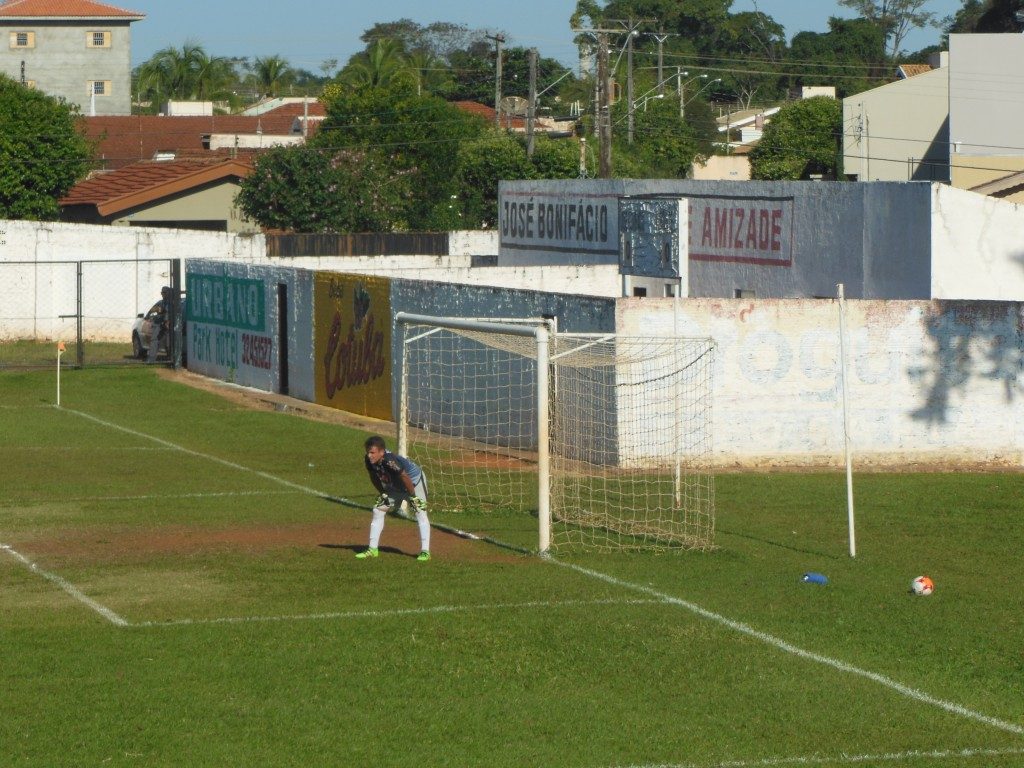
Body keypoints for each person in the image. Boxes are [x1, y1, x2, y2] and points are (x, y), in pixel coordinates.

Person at [357, 435, 431, 562]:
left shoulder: (389, 461)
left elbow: (404, 476)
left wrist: (413, 497)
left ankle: (425, 552)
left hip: (414, 483)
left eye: (372, 452)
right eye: (368, 452)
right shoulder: (369, 460)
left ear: (382, 452)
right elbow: (373, 476)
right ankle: (372, 549)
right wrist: (383, 493)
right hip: (395, 486)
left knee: (420, 512)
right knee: (378, 510)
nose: (369, 455)